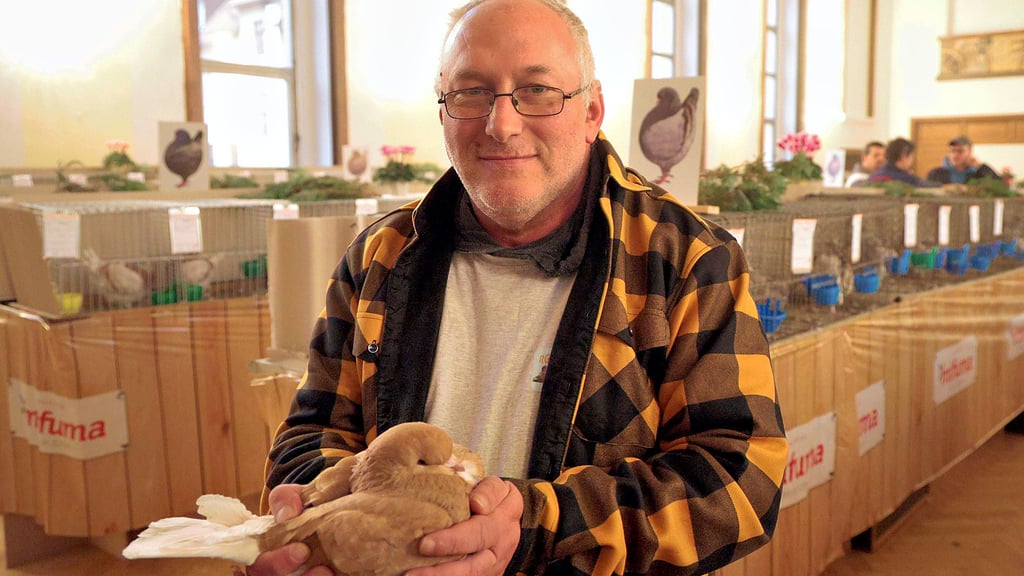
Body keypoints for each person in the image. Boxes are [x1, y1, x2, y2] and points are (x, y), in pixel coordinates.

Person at [250, 1, 788, 575]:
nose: (501, 124)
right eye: (471, 92)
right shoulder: (379, 255)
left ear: (592, 112)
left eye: (537, 91)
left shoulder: (686, 259)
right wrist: (318, 513)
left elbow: (741, 479)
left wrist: (534, 527)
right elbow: (312, 430)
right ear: (443, 111)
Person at [926, 135, 1000, 185]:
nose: (955, 155)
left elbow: (999, 186)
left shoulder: (978, 173)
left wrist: (980, 166)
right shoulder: (936, 174)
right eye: (952, 151)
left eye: (960, 151)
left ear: (970, 152)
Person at [868, 137, 939, 188]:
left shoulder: (873, 176)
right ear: (903, 156)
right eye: (911, 156)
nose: (912, 160)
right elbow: (931, 187)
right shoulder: (904, 179)